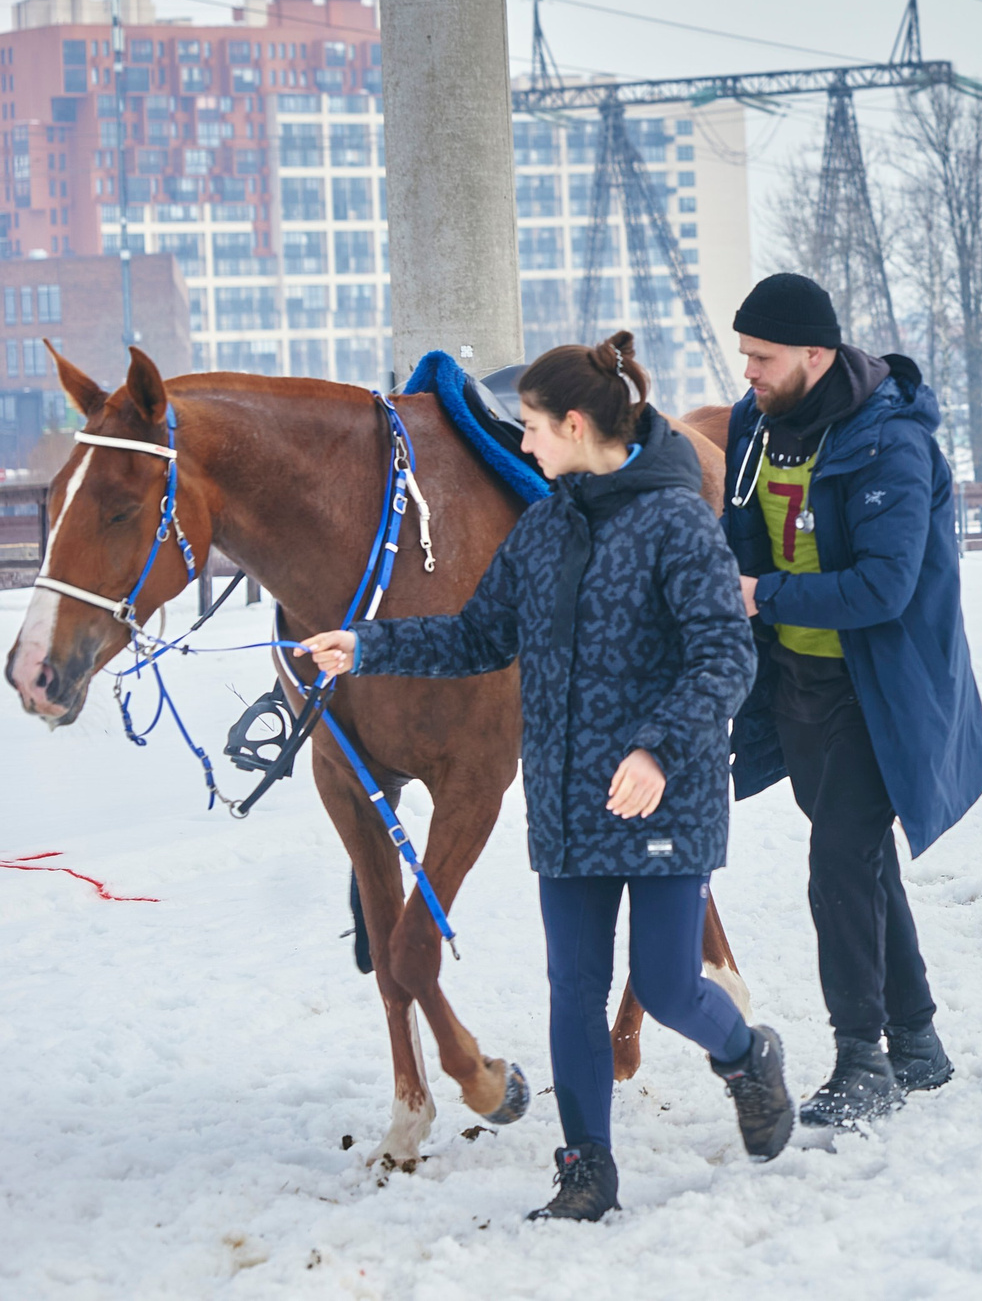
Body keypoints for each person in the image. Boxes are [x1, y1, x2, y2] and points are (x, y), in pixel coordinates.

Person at [302, 333, 780, 1223]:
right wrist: (364, 645)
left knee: (671, 984)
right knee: (573, 989)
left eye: (530, 428)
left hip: (663, 792)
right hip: (567, 803)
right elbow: (477, 636)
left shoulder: (676, 520)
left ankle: (747, 1054)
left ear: (573, 423)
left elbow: (724, 655)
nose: (521, 446)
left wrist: (657, 749)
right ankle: (586, 1169)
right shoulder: (544, 528)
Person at [720, 273, 982, 1131]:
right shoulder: (751, 429)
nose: (750, 372)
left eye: (763, 358)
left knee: (838, 860)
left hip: (884, 687)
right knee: (862, 857)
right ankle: (917, 1041)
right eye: (746, 357)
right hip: (796, 685)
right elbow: (739, 540)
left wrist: (764, 595)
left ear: (815, 352)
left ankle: (860, 1057)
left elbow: (883, 585)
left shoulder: (890, 442)